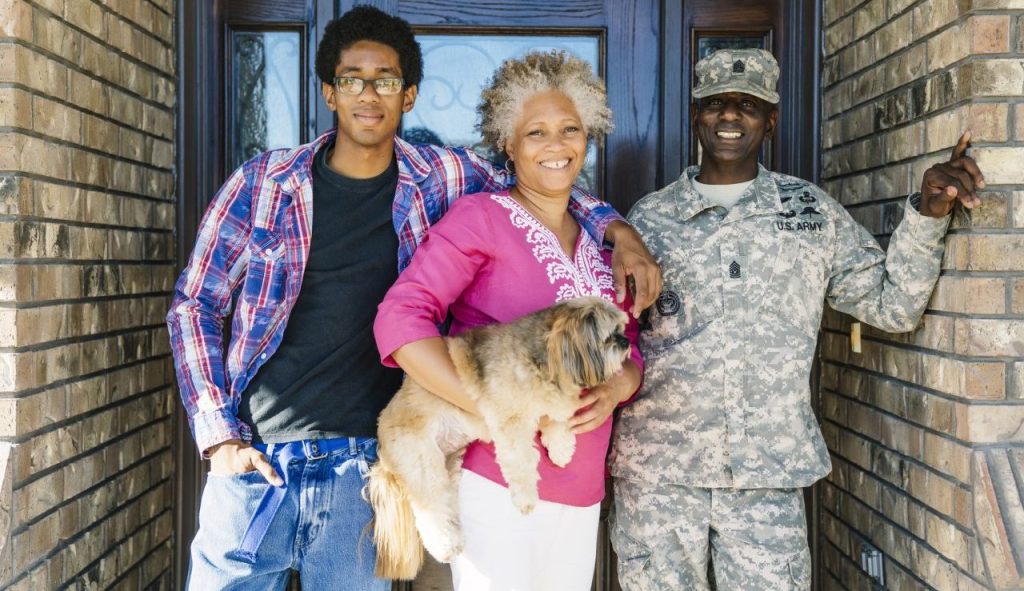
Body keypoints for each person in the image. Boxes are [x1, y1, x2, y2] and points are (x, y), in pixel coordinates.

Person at [166, 7, 661, 590]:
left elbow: (544, 179)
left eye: (387, 80)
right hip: (259, 456)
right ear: (329, 90)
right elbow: (194, 306)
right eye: (352, 78)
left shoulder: (443, 176)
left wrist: (617, 229)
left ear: (410, 94)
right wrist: (219, 436)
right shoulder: (264, 184)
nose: (368, 94)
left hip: (362, 462)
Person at [609, 48, 984, 590]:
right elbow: (618, 339)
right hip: (660, 474)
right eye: (716, 103)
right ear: (696, 115)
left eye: (749, 105)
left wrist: (928, 213)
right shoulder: (649, 219)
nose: (730, 116)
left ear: (771, 121)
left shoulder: (810, 214)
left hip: (768, 475)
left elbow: (893, 305)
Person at [374, 50, 645, 591]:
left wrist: (622, 385)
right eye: (536, 133)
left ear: (587, 138)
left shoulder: (601, 239)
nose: (555, 145)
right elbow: (401, 319)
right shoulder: (480, 218)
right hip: (495, 479)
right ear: (509, 145)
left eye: (569, 129)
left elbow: (630, 344)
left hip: (583, 480)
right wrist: (490, 405)